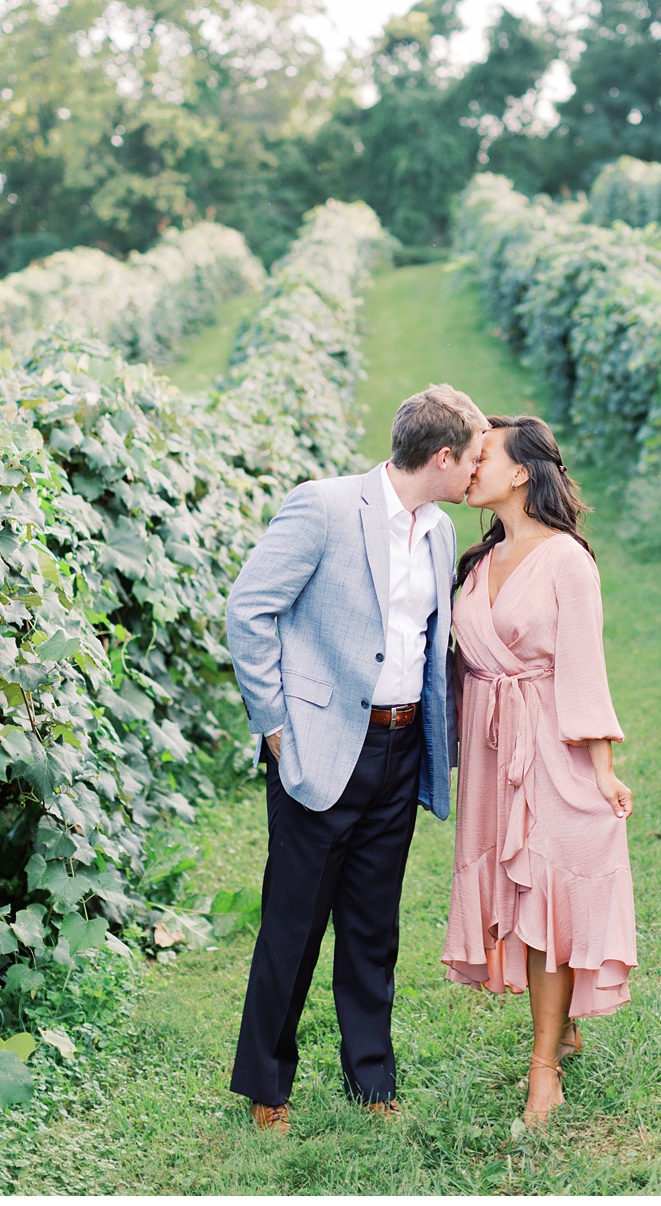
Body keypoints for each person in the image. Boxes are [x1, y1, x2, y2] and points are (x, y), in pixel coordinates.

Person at [225, 384, 488, 1130]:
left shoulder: (438, 531)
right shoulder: (326, 507)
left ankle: (373, 1083)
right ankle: (267, 1089)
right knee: (294, 924)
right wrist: (275, 726)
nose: (477, 474)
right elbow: (249, 609)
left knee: (374, 927)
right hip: (321, 749)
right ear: (441, 457)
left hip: (401, 748)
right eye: (471, 460)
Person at [441, 415, 637, 1128]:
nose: (469, 466)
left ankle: (544, 1066)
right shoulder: (471, 563)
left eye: (483, 456)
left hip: (551, 746)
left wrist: (602, 771)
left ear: (521, 472)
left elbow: (585, 668)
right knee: (516, 896)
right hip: (494, 754)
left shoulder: (566, 561)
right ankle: (564, 1024)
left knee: (548, 893)